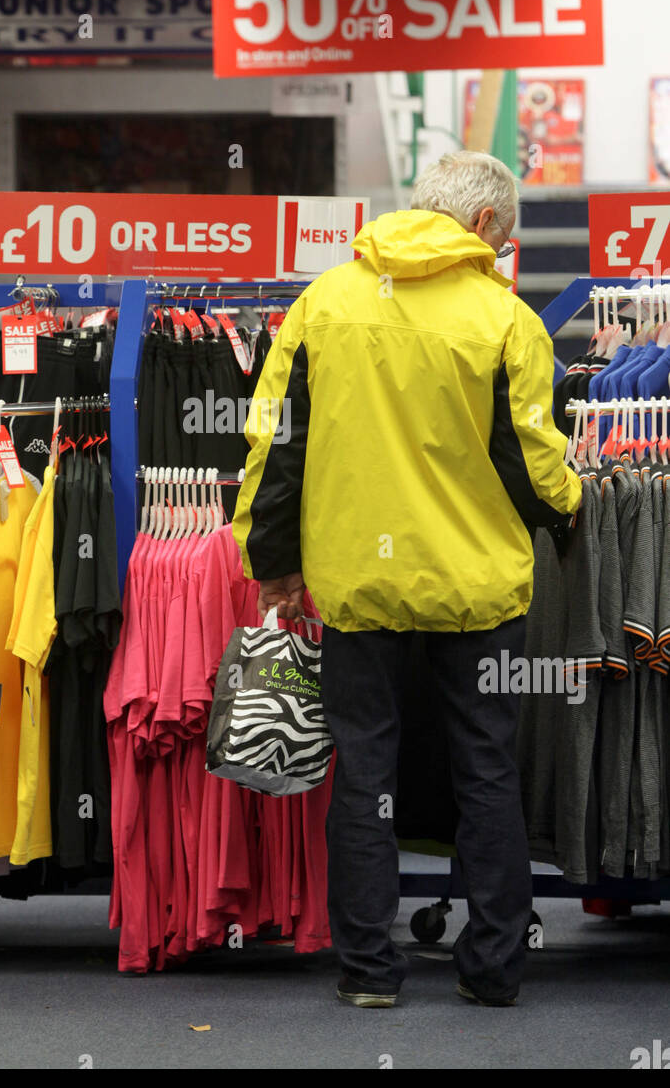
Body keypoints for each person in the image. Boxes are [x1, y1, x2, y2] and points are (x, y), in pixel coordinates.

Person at [232, 150, 582, 1009]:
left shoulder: (324, 303)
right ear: (488, 227)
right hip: (478, 589)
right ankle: (494, 967)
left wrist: (272, 561)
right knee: (487, 771)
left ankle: (367, 972)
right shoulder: (506, 321)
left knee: (366, 775)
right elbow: (535, 468)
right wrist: (573, 512)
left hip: (360, 585)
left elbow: (275, 447)